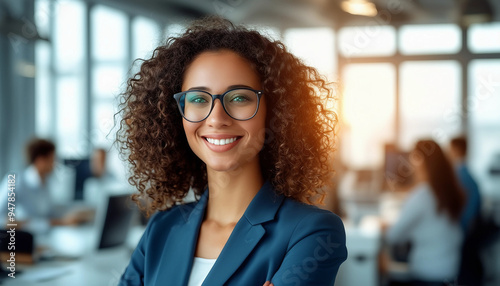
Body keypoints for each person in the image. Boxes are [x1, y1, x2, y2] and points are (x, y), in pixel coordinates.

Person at [117, 17, 347, 286]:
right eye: (198, 99)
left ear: (275, 111)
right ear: (175, 115)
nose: (216, 118)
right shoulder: (161, 229)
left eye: (239, 98)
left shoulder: (312, 232)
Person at [386, 140, 465, 286]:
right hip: (450, 273)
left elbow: (393, 236)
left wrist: (385, 226)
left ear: (420, 161)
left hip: (426, 276)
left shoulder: (422, 196)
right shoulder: (451, 191)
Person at [0, 138, 80, 235]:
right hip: (20, 241)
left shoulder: (45, 182)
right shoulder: (14, 181)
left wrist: (76, 213)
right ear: (40, 160)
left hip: (45, 239)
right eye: (52, 159)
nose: (55, 164)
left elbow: (49, 212)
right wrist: (58, 223)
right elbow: (2, 219)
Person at [449, 136, 481, 232]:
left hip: (461, 227)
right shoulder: (466, 174)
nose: (447, 152)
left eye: (449, 149)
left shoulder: (459, 176)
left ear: (456, 150)